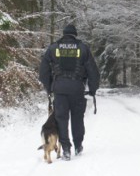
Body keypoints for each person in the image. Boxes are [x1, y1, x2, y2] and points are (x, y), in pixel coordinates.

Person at [39, 24, 100, 160]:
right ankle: (78, 145)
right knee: (77, 118)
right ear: (75, 34)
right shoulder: (83, 48)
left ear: (64, 34)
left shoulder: (53, 48)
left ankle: (66, 149)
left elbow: (43, 71)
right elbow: (93, 71)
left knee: (61, 119)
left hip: (59, 89)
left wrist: (49, 87)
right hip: (77, 89)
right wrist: (93, 89)